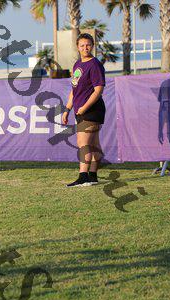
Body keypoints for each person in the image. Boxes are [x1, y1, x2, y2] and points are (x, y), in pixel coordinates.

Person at [63, 33, 107, 187]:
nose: (85, 48)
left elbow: (98, 90)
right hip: (80, 110)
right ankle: (93, 176)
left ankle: (83, 176)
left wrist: (84, 108)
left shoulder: (95, 64)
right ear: (77, 47)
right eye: (82, 45)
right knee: (93, 144)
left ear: (92, 46)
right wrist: (67, 109)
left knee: (83, 143)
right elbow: (74, 90)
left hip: (91, 110)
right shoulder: (77, 64)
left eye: (88, 45)